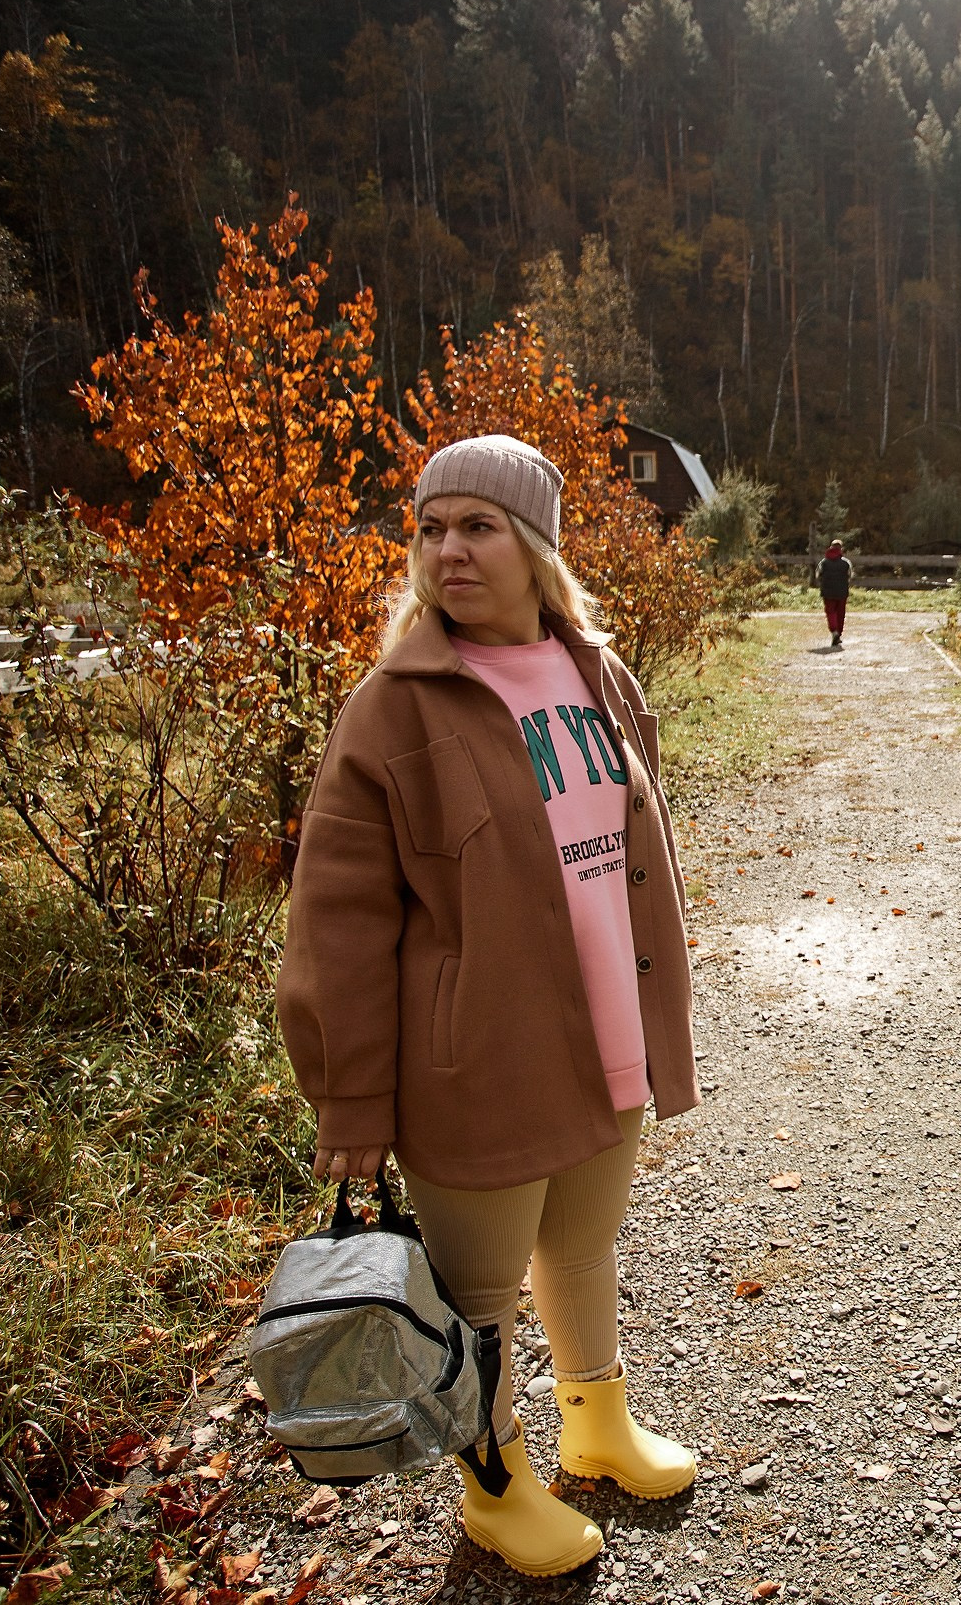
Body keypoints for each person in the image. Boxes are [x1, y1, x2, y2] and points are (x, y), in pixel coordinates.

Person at [277, 434, 701, 1579]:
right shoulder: (392, 707)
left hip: (608, 1030)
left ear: (536, 546)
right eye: (431, 526)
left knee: (582, 1242)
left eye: (479, 525)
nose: (448, 548)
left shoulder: (597, 671)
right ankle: (496, 1483)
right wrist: (350, 1091)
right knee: (478, 1289)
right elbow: (339, 921)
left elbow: (626, 850)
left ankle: (598, 1426)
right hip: (479, 1055)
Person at [817, 539, 852, 649]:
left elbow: (818, 575)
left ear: (831, 547)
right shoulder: (846, 562)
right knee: (840, 613)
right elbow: (849, 575)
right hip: (842, 591)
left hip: (827, 591)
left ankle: (834, 632)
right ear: (841, 549)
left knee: (830, 612)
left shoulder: (823, 562)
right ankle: (838, 633)